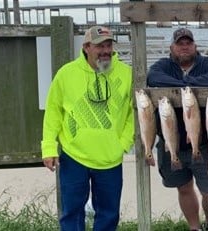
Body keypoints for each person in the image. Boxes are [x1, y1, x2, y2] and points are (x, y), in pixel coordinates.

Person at [41, 26, 133, 231]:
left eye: (109, 45)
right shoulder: (66, 74)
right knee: (72, 213)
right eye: (100, 46)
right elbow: (53, 113)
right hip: (74, 157)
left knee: (109, 214)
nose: (105, 50)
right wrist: (48, 147)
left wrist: (124, 143)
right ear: (86, 47)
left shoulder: (127, 74)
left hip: (110, 158)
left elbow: (133, 113)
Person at [147, 28, 208, 231]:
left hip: (204, 144)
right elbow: (154, 77)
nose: (184, 47)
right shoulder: (162, 65)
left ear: (195, 46)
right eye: (180, 43)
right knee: (184, 188)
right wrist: (186, 86)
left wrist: (186, 85)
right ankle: (194, 227)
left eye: (188, 43)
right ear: (172, 47)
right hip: (171, 142)